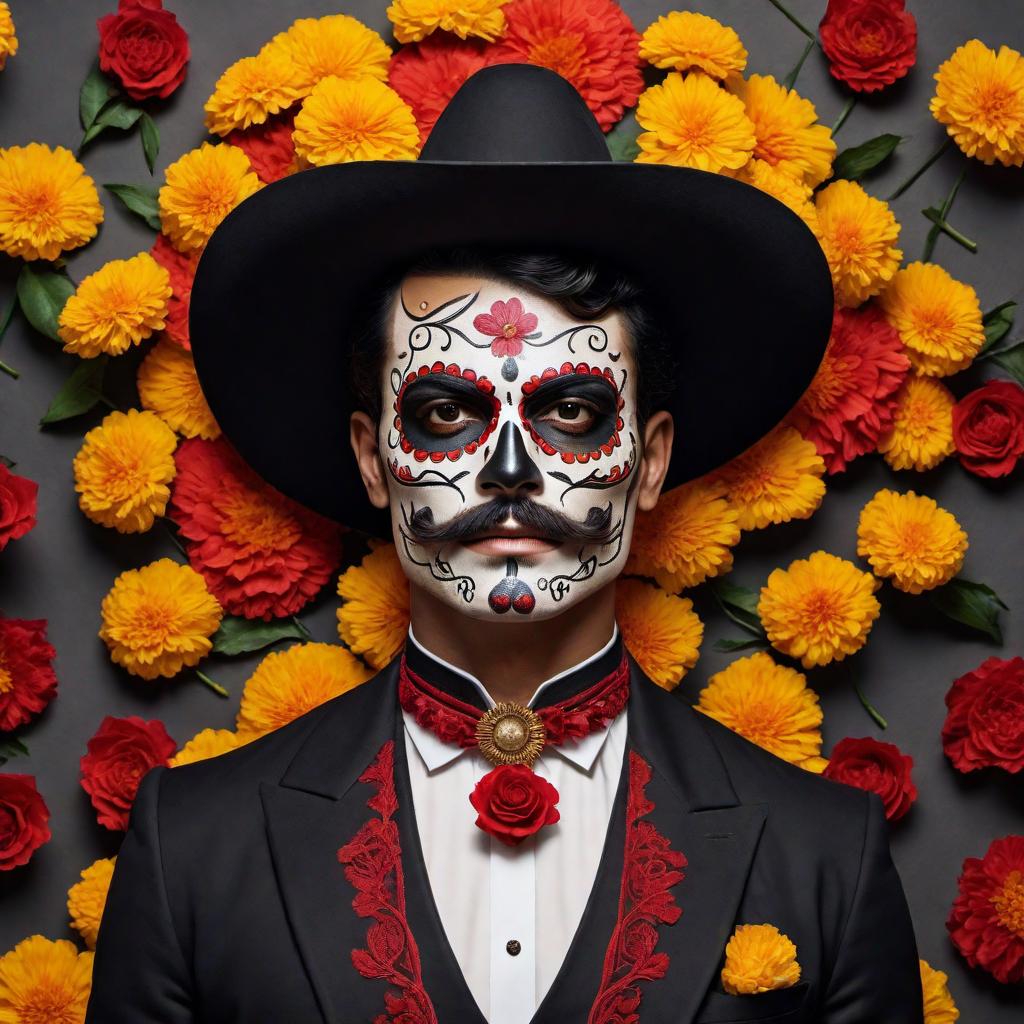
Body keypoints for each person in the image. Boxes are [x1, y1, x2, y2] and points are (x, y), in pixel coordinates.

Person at [85, 63, 924, 1023]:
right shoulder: (194, 847)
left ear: (649, 463)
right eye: (447, 412)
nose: (512, 470)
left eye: (573, 411)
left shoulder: (823, 854)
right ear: (374, 459)